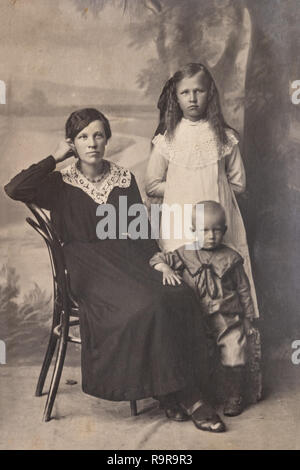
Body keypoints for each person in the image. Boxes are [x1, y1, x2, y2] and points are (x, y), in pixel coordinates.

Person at [4, 108, 226, 432]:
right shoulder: (60, 182)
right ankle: (188, 396)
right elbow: (14, 188)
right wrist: (54, 157)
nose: (91, 143)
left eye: (97, 135)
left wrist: (158, 261)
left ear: (107, 139)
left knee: (178, 295)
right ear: (72, 144)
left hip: (128, 258)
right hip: (86, 266)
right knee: (144, 305)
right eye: (82, 137)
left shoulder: (123, 178)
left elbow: (138, 231)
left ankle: (169, 390)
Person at [145, 62, 259, 319]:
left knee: (225, 282)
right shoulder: (168, 139)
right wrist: (184, 186)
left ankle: (231, 345)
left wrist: (212, 186)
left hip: (218, 221)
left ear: (210, 94)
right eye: (185, 92)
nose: (193, 98)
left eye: (199, 91)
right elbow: (152, 184)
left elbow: (239, 183)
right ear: (176, 96)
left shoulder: (224, 137)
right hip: (180, 222)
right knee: (186, 282)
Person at [150, 201, 256, 417]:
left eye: (217, 230)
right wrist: (165, 268)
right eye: (204, 230)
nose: (211, 236)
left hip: (227, 319)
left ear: (225, 231)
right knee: (197, 355)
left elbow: (244, 290)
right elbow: (156, 258)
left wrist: (248, 318)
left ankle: (234, 396)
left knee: (235, 349)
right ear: (192, 231)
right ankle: (200, 395)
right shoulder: (184, 253)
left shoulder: (231, 258)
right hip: (196, 320)